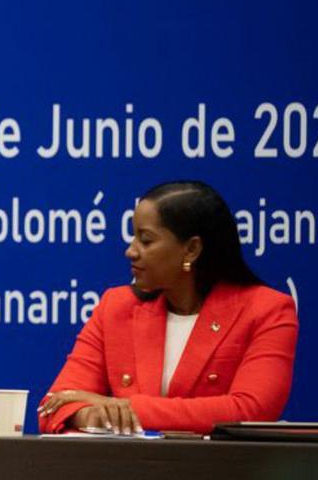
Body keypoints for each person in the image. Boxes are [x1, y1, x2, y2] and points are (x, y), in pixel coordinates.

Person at [37, 181, 297, 435]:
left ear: (192, 249)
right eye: (133, 238)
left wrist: (126, 409)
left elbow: (251, 411)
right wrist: (95, 414)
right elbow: (54, 405)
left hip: (221, 474)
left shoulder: (267, 311)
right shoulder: (116, 307)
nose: (131, 251)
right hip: (125, 474)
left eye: (146, 241)